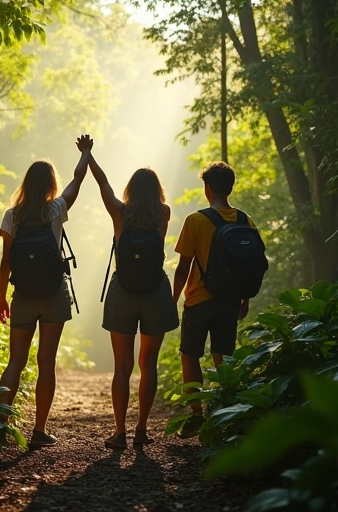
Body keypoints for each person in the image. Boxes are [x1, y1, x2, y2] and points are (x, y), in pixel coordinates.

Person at [0, 134, 92, 449]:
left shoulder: (13, 215)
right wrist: (86, 153)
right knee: (46, 361)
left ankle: (1, 425)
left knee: (15, 362)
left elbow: (6, 261)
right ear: (51, 183)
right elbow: (78, 180)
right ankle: (38, 431)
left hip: (22, 296)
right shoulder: (55, 210)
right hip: (53, 294)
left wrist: (0, 297)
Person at [86, 147, 179, 450]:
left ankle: (119, 432)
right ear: (156, 191)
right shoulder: (163, 213)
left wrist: (88, 155)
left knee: (122, 366)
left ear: (130, 190)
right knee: (148, 364)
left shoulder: (120, 212)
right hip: (155, 292)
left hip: (123, 292)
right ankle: (141, 429)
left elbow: (103, 184)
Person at [172, 161, 253, 438]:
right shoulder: (245, 220)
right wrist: (245, 299)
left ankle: (197, 416)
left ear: (207, 188)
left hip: (198, 300)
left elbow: (183, 266)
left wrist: (172, 299)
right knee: (224, 357)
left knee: (190, 355)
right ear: (230, 187)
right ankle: (226, 413)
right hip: (230, 300)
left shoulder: (196, 220)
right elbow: (248, 265)